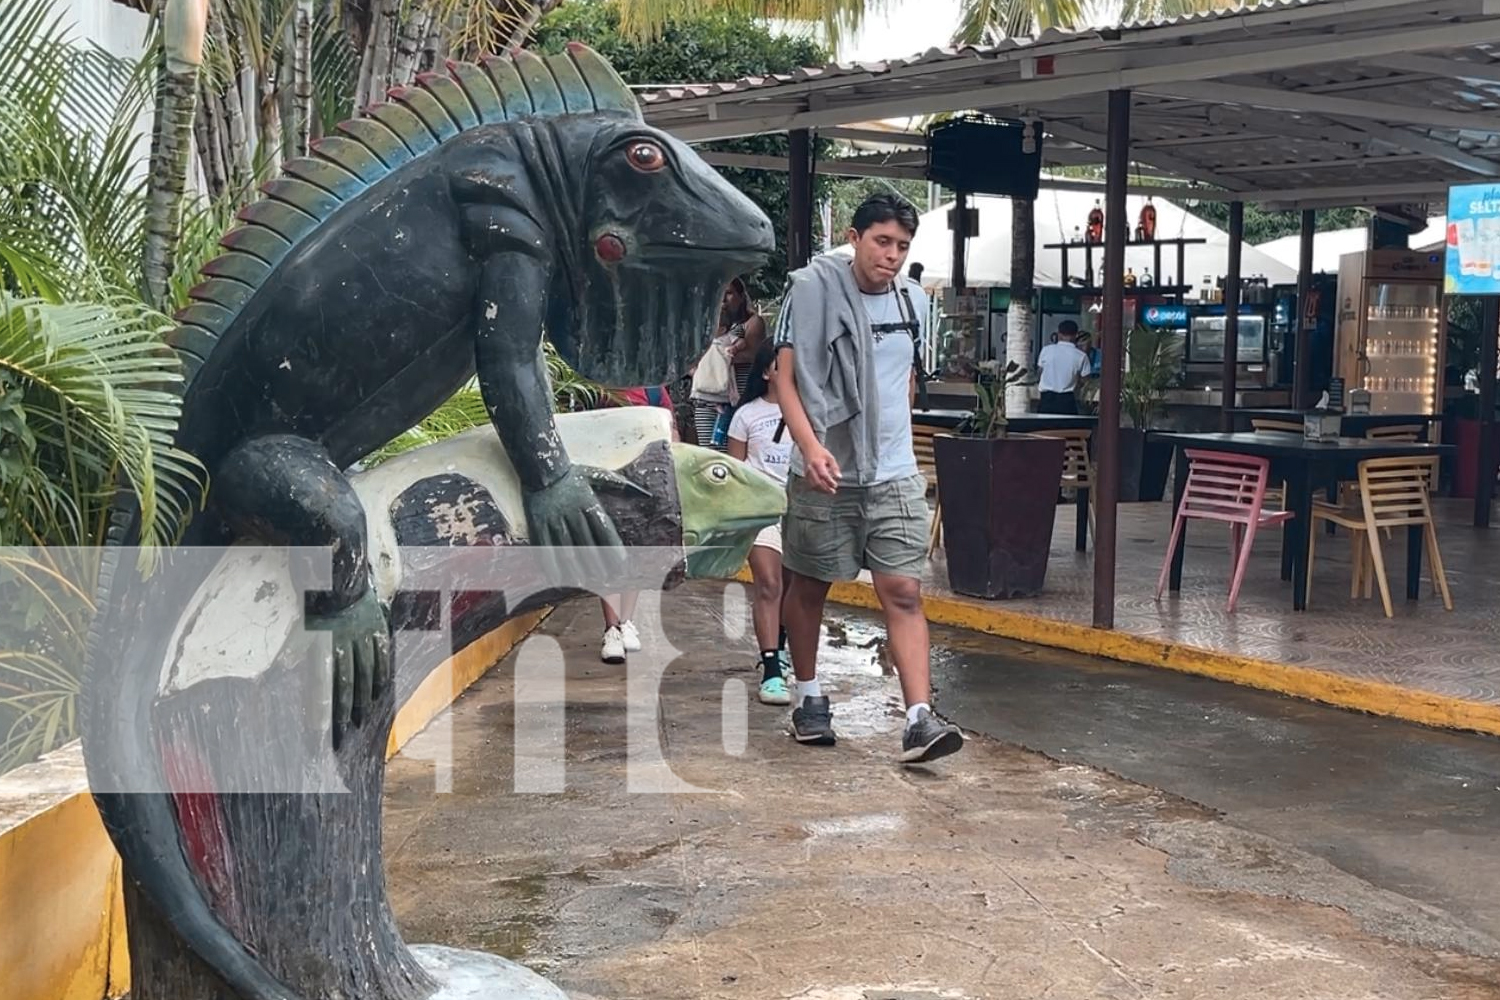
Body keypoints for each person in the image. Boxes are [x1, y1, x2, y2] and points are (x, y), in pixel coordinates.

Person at [771, 193, 965, 765]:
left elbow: (904, 378)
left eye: (903, 246)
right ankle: (807, 697)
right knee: (808, 585)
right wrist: (811, 449)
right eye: (882, 242)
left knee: (903, 590)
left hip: (894, 472)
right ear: (854, 238)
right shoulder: (810, 293)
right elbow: (785, 379)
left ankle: (919, 718)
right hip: (824, 469)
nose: (893, 255)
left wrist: (891, 437)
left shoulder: (912, 303)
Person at [725, 342, 793, 705]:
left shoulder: (810, 413)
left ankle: (779, 646)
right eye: (781, 366)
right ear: (767, 372)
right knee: (769, 583)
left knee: (792, 588)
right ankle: (771, 669)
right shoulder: (746, 415)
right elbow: (735, 471)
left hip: (798, 509)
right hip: (760, 510)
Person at [594, 382, 678, 664]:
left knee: (638, 550)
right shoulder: (597, 387)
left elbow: (669, 430)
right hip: (608, 478)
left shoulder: (654, 391)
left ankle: (626, 621)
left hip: (645, 482)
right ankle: (611, 628)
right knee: (609, 553)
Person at [689, 278, 765, 450]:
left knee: (729, 452)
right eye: (719, 294)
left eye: (729, 293)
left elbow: (753, 354)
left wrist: (718, 355)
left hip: (736, 398)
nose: (723, 299)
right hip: (705, 395)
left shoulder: (751, 323)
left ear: (741, 296)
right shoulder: (706, 324)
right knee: (708, 451)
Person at [1035, 320, 1092, 414]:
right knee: (1067, 427)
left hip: (1046, 399)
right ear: (1076, 335)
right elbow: (1086, 381)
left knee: (1044, 427)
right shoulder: (1081, 356)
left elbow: (1039, 372)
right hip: (1067, 400)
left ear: (1058, 334)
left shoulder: (1046, 351)